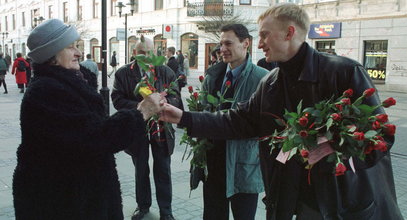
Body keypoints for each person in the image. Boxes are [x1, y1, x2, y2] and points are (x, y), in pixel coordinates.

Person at [142, 3, 402, 220]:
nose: (261, 43)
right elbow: (239, 120)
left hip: (343, 202)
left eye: (265, 35)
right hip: (290, 200)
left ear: (289, 33)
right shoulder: (271, 83)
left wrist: (330, 145)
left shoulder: (344, 72)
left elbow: (380, 137)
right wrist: (184, 117)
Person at [12, 19, 146, 220]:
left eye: (77, 46)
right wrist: (140, 113)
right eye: (70, 47)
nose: (79, 53)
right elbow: (93, 138)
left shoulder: (70, 82)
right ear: (52, 56)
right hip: (64, 201)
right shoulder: (47, 91)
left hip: (80, 194)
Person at [199, 24, 267, 220]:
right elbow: (203, 111)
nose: (222, 49)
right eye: (221, 44)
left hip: (243, 167)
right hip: (213, 164)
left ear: (246, 43)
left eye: (228, 43)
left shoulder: (262, 78)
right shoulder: (213, 75)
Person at [111, 35, 180, 220]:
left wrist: (164, 103)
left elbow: (176, 98)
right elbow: (117, 99)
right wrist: (142, 107)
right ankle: (143, 207)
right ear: (135, 53)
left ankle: (166, 211)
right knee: (140, 169)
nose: (146, 56)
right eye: (142, 52)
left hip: (161, 127)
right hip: (137, 128)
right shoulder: (123, 73)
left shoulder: (165, 71)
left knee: (163, 169)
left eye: (150, 52)